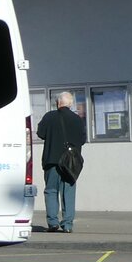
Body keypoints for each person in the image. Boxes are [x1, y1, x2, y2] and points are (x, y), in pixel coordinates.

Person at [36, 91, 86, 233]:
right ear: (70, 104)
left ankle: (53, 222)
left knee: (51, 190)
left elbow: (41, 133)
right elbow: (82, 140)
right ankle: (68, 224)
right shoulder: (77, 119)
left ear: (58, 102)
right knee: (68, 192)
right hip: (71, 163)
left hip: (52, 160)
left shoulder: (49, 117)